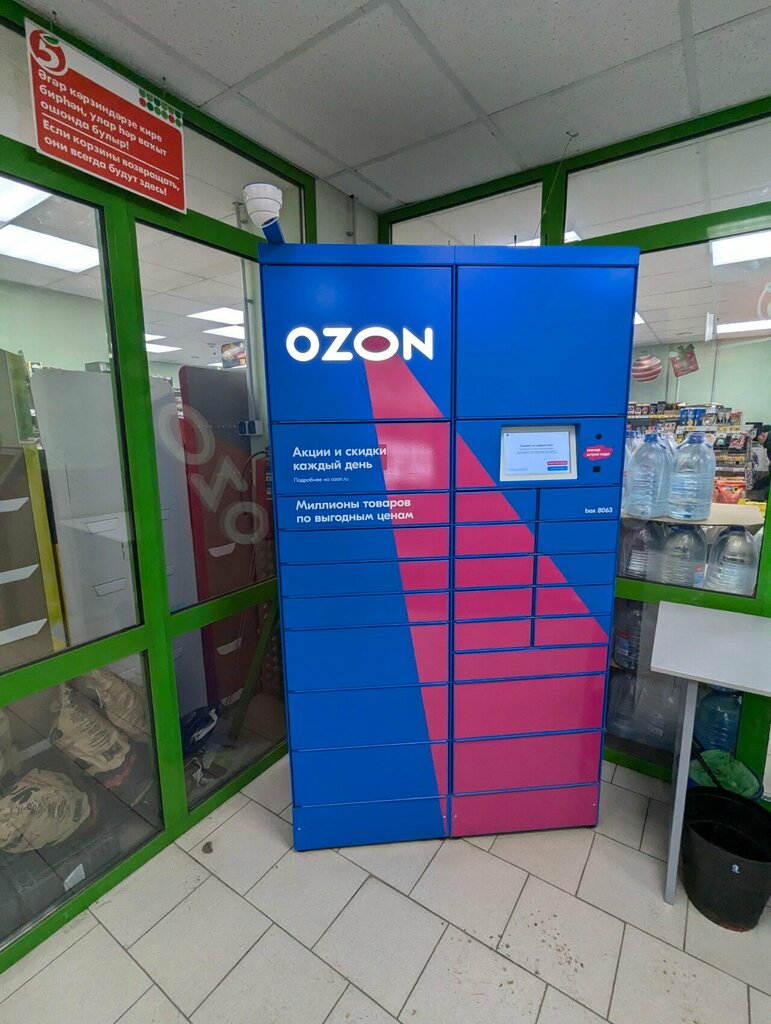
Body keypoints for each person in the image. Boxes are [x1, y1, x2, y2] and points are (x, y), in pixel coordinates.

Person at [747, 424, 771, 500]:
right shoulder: (768, 443)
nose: (759, 443)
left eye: (758, 439)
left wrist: (757, 485)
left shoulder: (769, 443)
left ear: (763, 435)